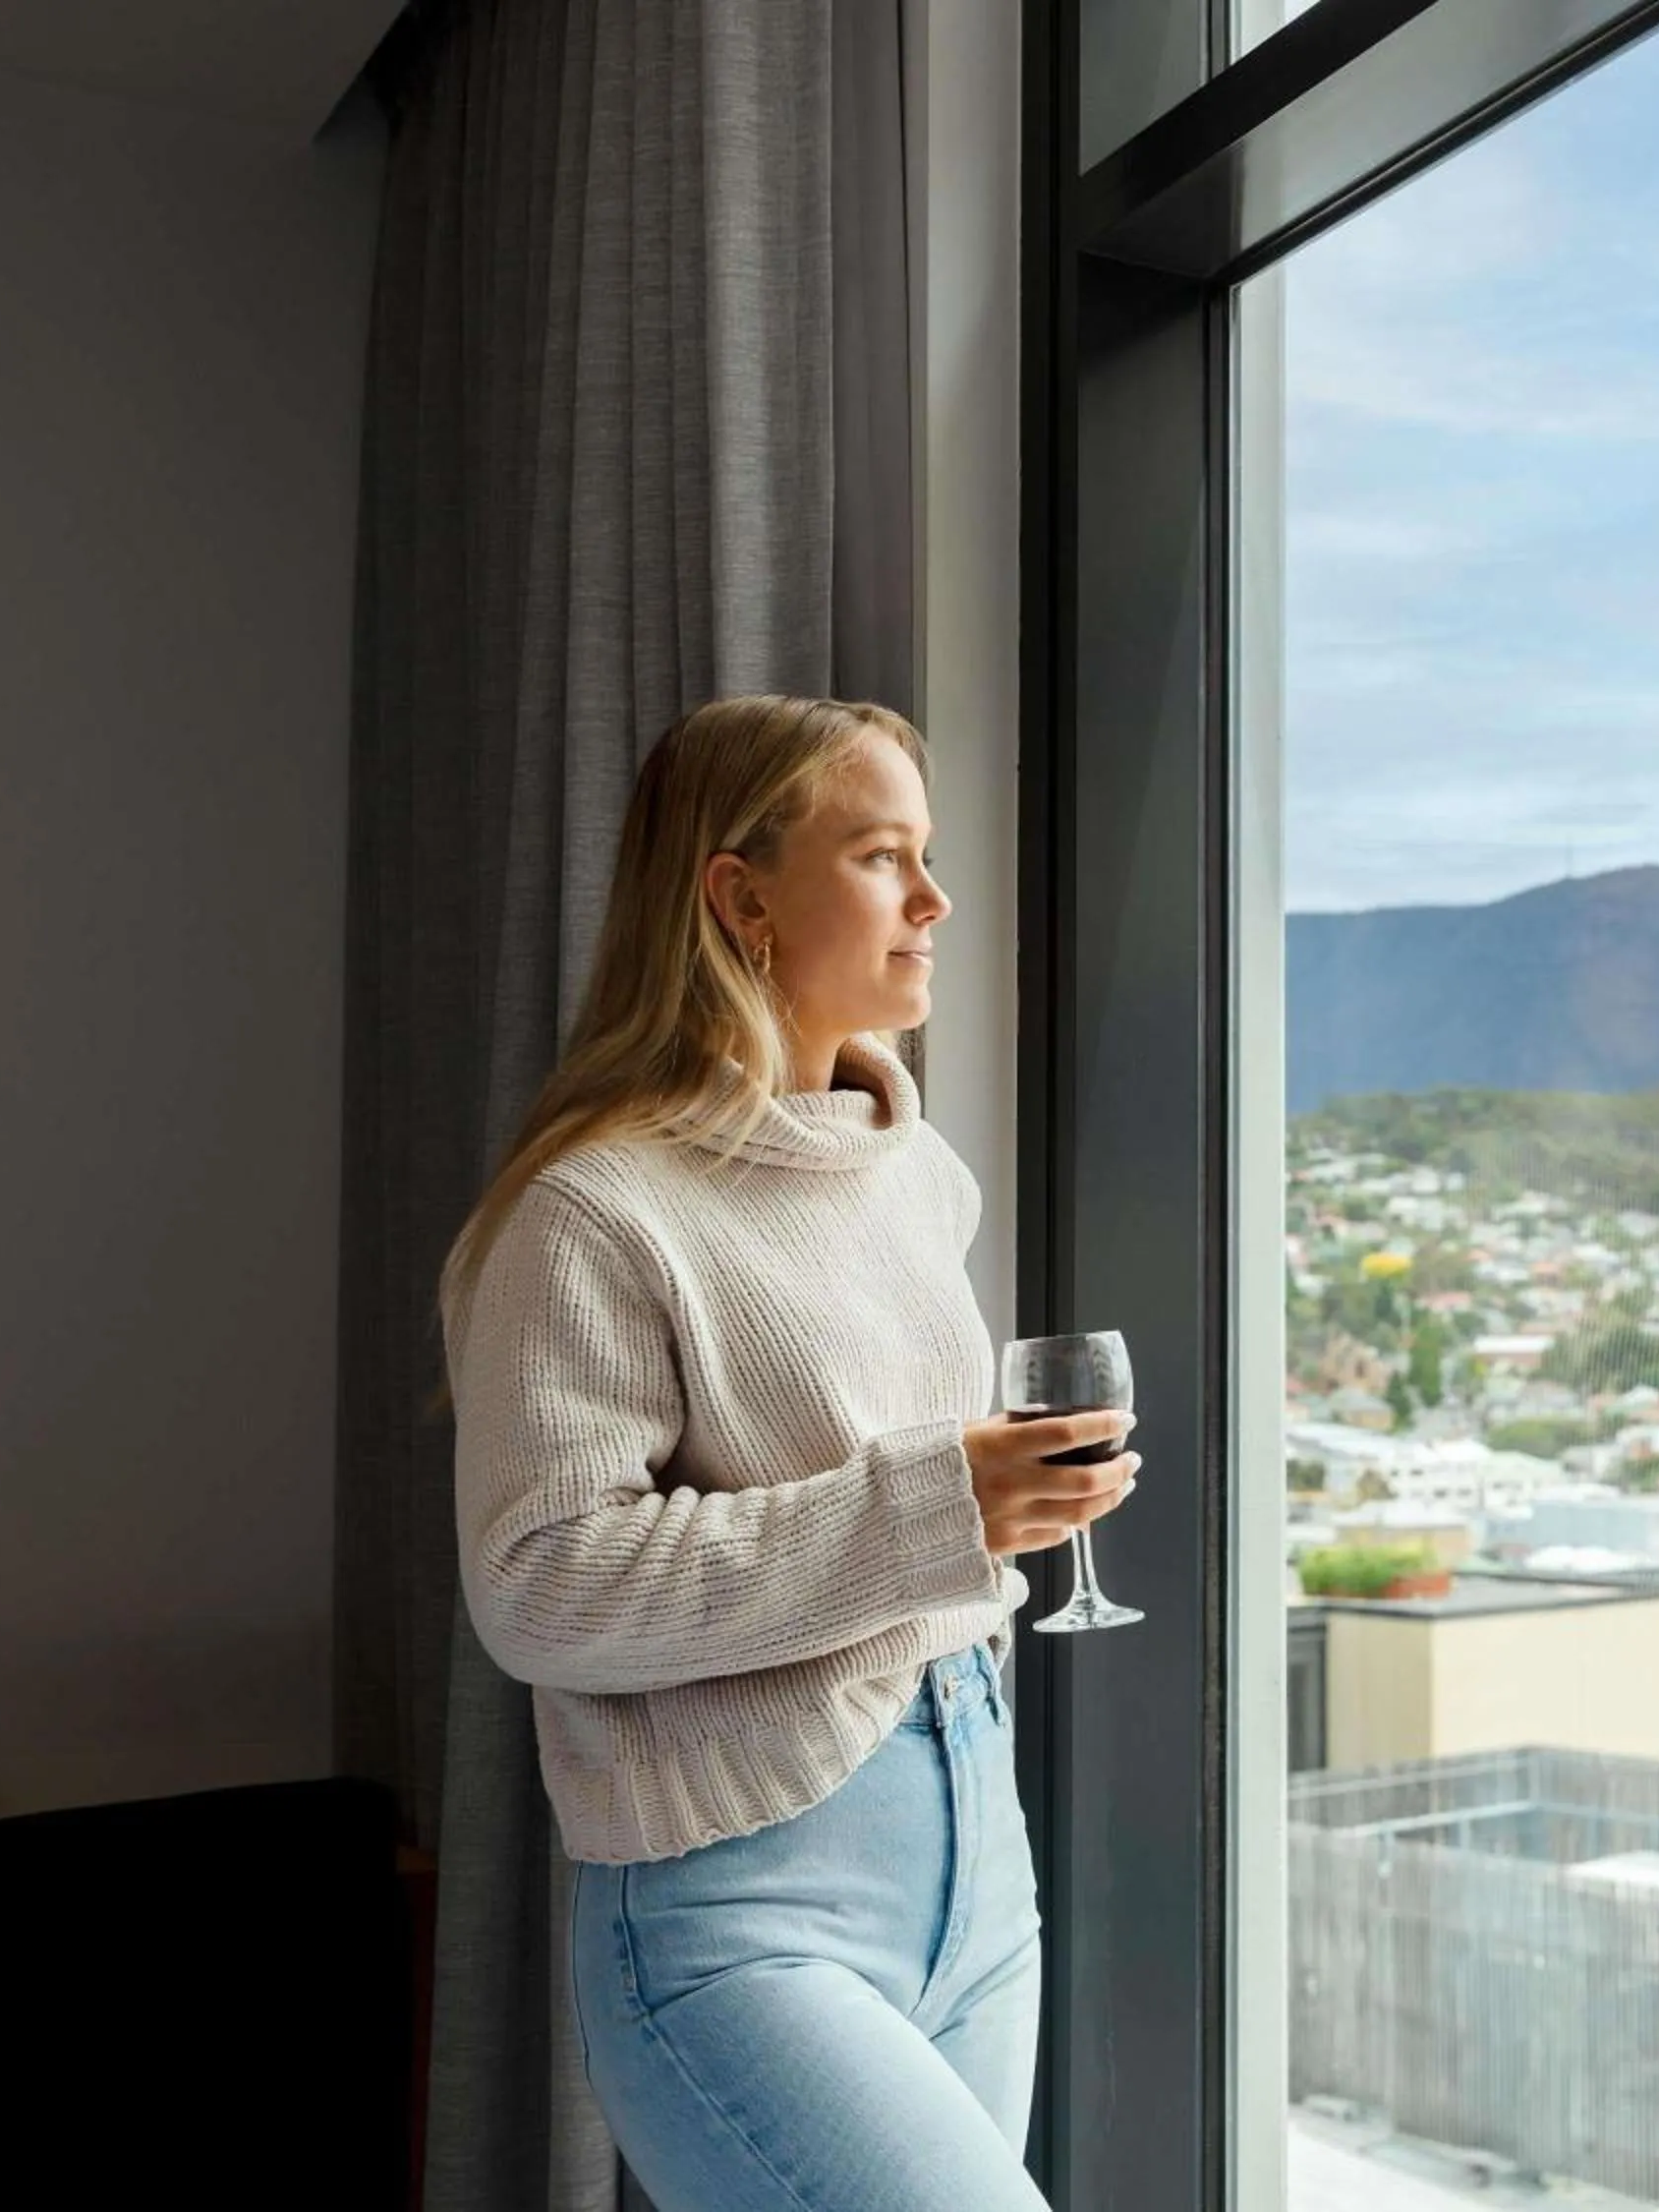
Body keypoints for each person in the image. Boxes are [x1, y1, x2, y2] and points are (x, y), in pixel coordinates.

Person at [432, 694, 1137, 2211]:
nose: (936, 899)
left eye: (926, 854)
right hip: (744, 1901)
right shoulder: (592, 1213)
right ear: (740, 895)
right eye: (885, 856)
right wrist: (939, 1504)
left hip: (975, 1854)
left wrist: (984, 1511)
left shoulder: (913, 1181)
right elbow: (540, 1582)